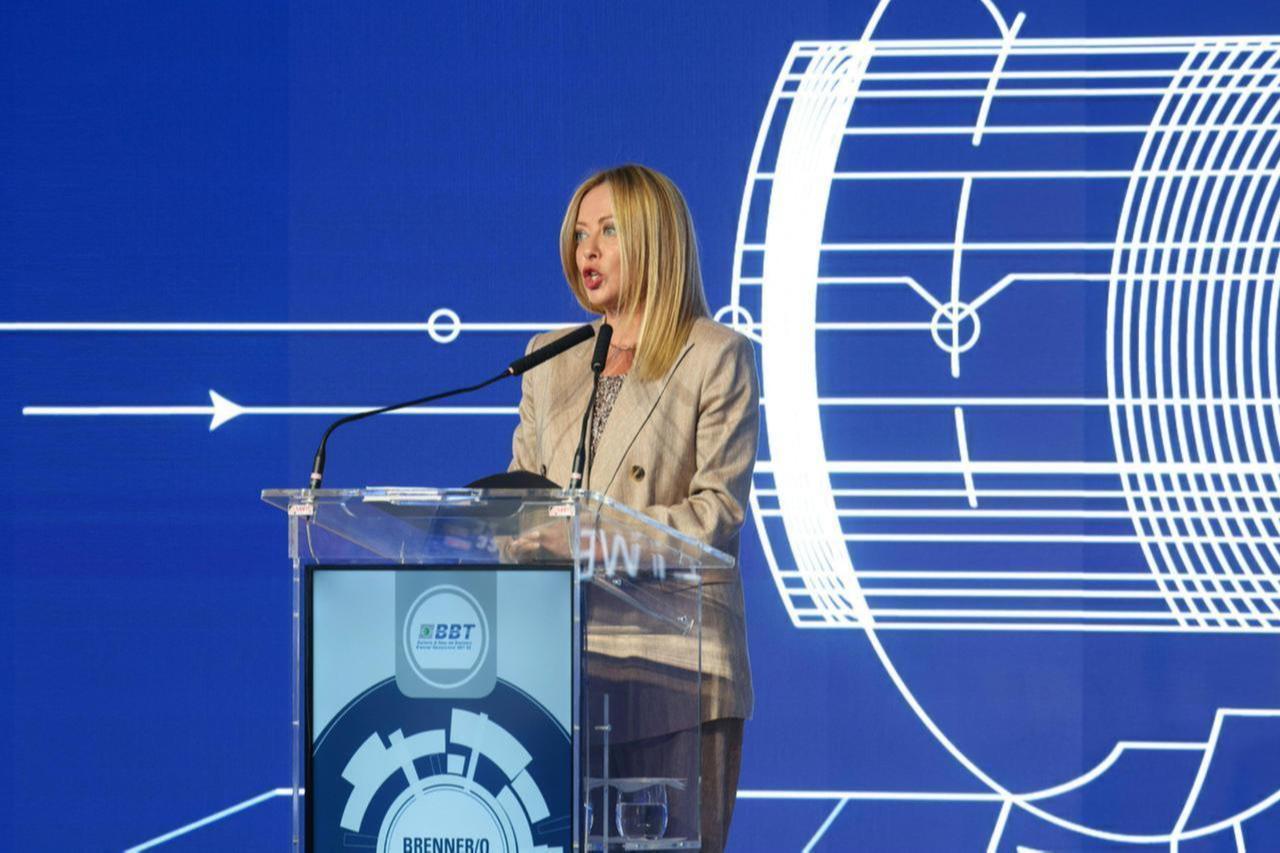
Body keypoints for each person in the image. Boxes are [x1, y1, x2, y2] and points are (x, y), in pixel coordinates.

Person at [508, 164, 758, 851]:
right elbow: (521, 497)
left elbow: (715, 518)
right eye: (579, 234)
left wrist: (589, 538)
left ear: (656, 238)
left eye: (609, 231)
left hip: (675, 664)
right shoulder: (548, 359)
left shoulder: (715, 355)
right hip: (560, 668)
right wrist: (507, 533)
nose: (586, 250)